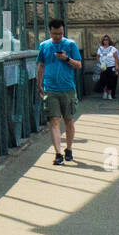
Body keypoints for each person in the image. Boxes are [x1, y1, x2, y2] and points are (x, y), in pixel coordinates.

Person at [37, 19, 81, 164]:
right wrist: (39, 84)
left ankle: (68, 149)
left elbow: (79, 65)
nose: (57, 36)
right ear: (50, 31)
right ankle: (58, 154)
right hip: (50, 89)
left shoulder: (70, 44)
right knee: (54, 121)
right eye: (55, 33)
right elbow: (41, 66)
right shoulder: (44, 46)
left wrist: (66, 58)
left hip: (68, 88)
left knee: (69, 120)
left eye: (60, 33)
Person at [95, 34, 119, 100]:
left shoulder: (112, 48)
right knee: (103, 80)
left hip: (111, 67)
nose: (105, 41)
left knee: (110, 81)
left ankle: (109, 94)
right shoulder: (100, 48)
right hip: (103, 67)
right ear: (102, 41)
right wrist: (99, 65)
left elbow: (116, 58)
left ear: (109, 41)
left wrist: (117, 66)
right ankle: (105, 92)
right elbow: (97, 57)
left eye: (107, 40)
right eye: (104, 40)